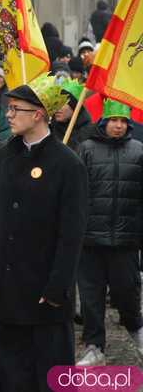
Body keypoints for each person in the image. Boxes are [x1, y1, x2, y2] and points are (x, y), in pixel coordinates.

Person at [0, 73, 88, 391]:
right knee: (3, 374)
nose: (8, 115)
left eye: (15, 109)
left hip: (43, 295)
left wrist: (57, 288)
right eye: (8, 108)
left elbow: (71, 234)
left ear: (37, 114)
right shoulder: (4, 157)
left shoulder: (68, 165)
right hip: (4, 291)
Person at [76, 100, 143, 365]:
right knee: (91, 297)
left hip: (126, 240)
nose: (118, 125)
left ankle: (136, 329)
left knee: (127, 292)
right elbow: (77, 193)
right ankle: (94, 346)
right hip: (90, 239)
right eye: (113, 120)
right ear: (103, 122)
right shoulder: (87, 149)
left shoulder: (138, 151)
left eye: (122, 121)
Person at [51, 79, 95, 151]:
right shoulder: (49, 129)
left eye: (63, 103)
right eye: (56, 103)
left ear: (74, 107)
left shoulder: (90, 132)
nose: (57, 108)